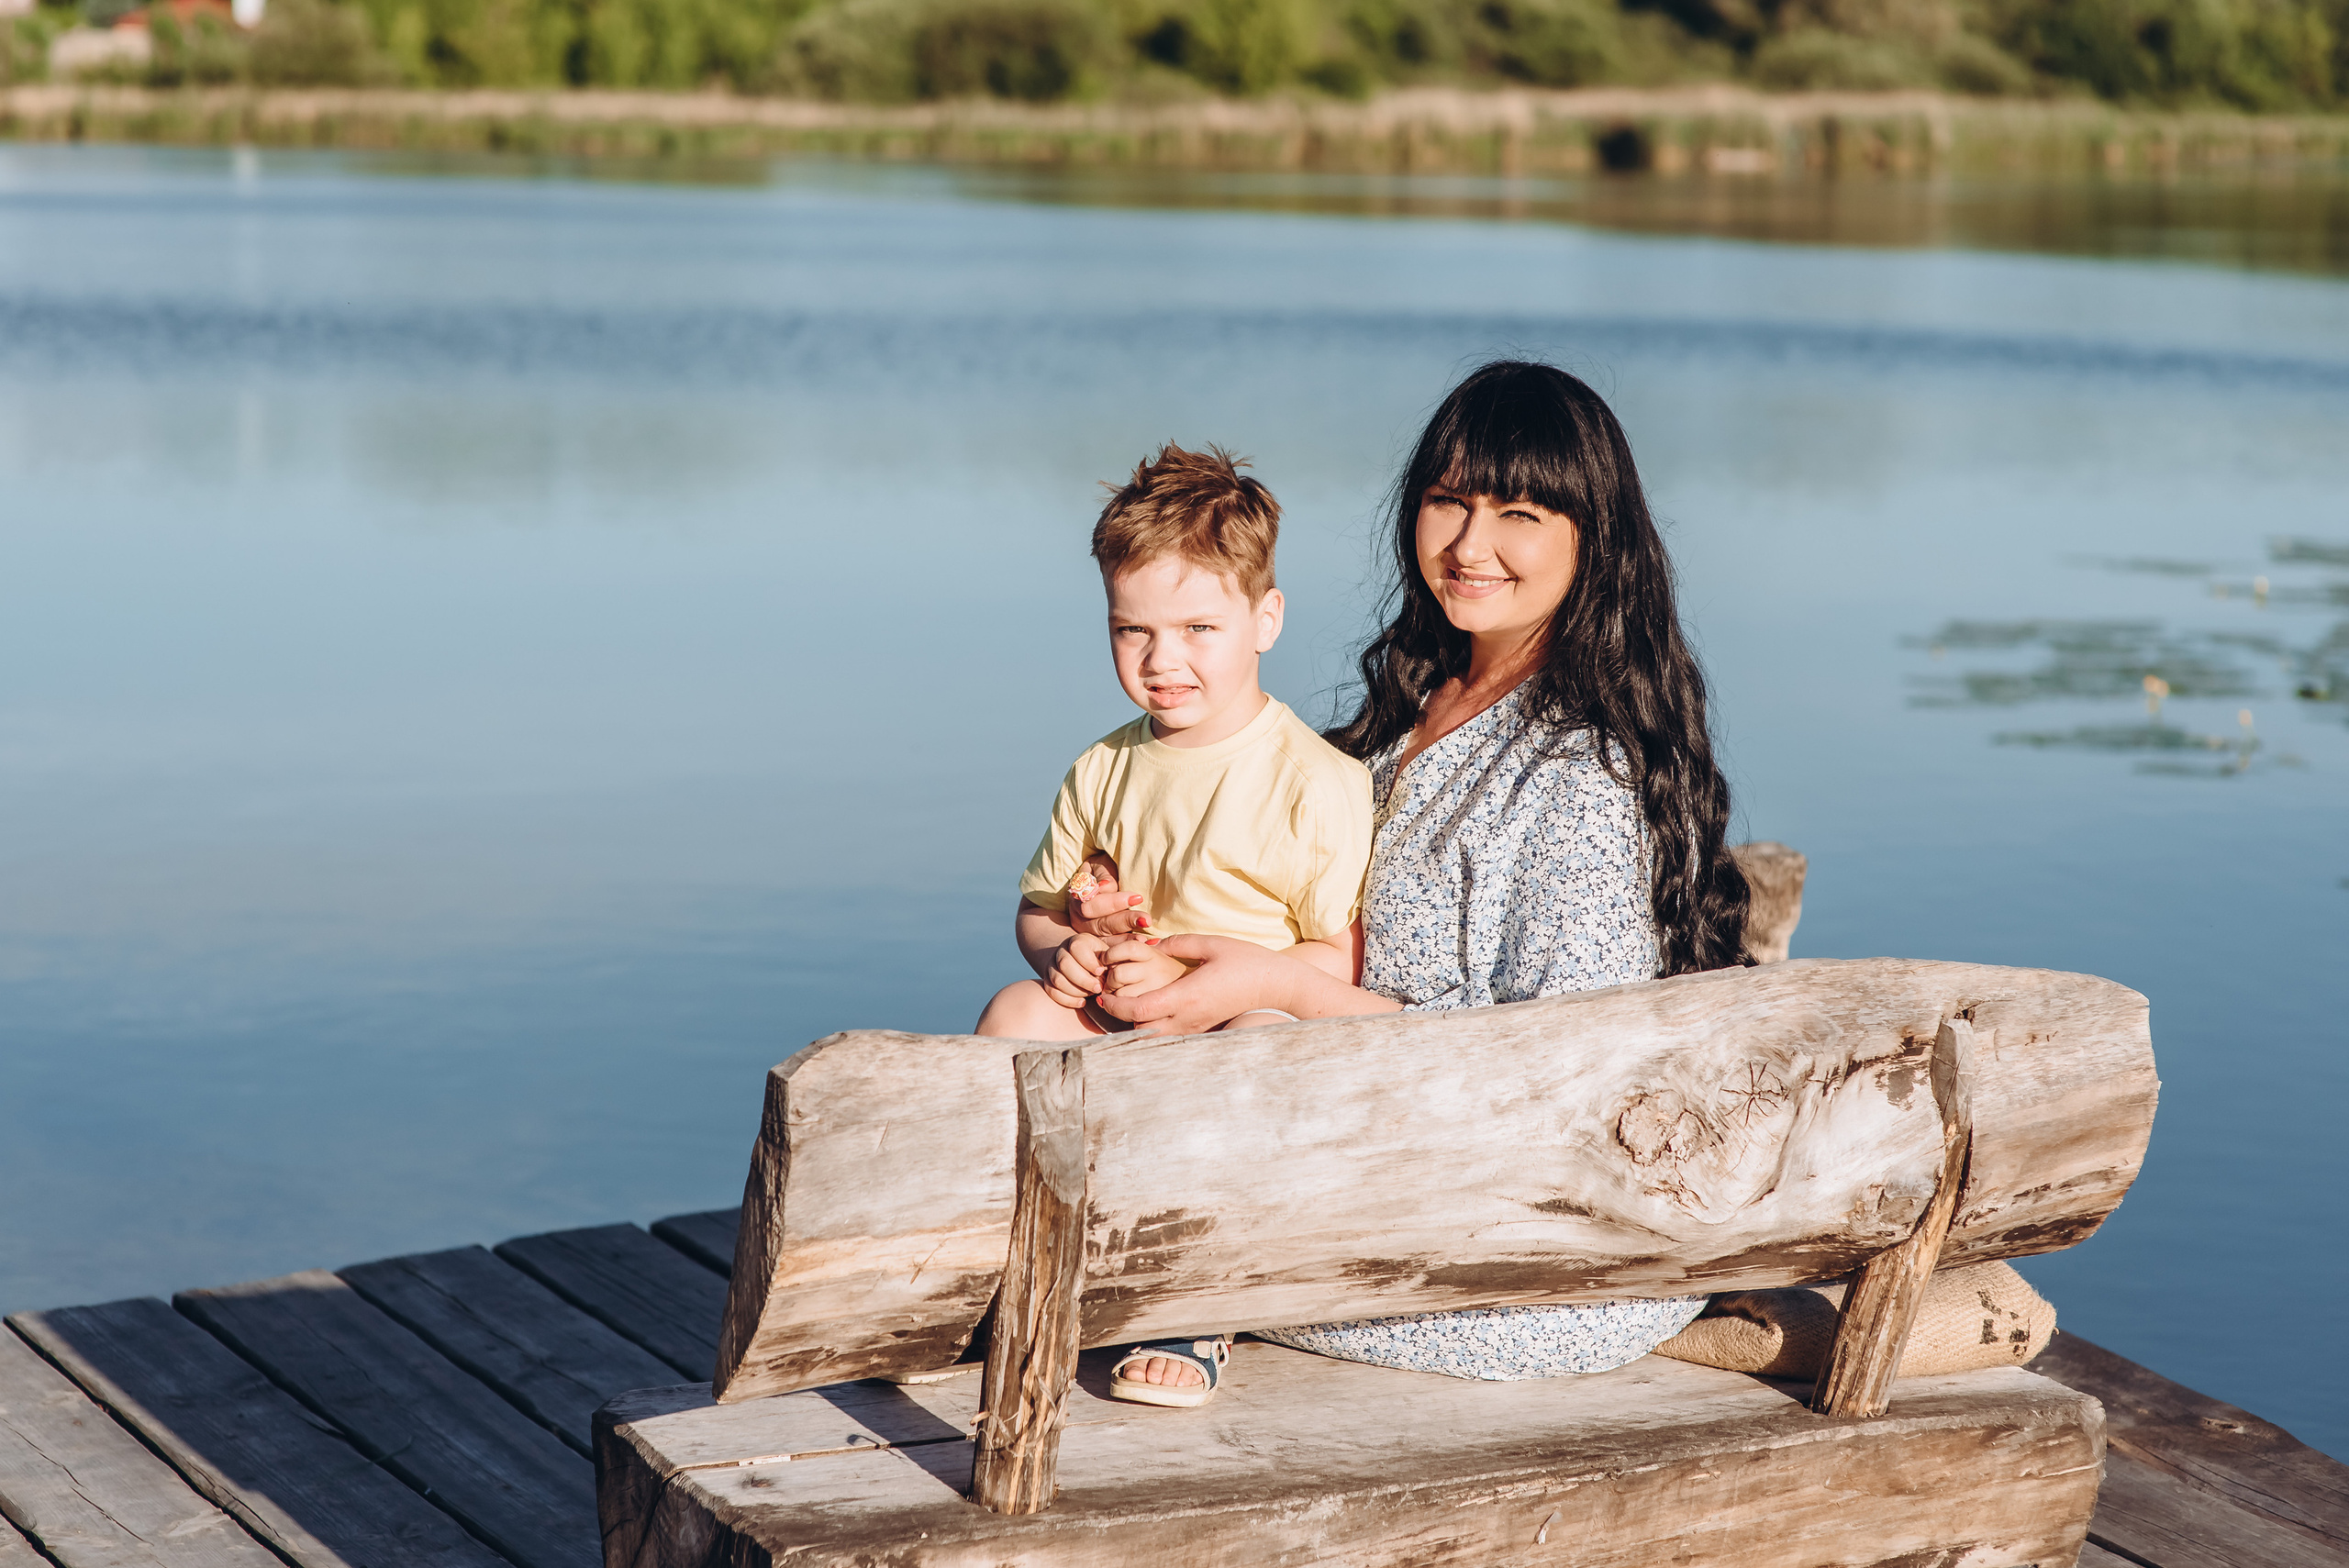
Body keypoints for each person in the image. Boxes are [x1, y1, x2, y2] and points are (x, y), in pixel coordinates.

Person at [1094, 360, 1752, 1397]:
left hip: (1522, 1246)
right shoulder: (1415, 707)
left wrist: (1282, 986)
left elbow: (1555, 1077)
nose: (1469, 545)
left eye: (1519, 513)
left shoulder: (1575, 771)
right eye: (1448, 501)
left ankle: (1196, 1291)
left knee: (1122, 1249)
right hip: (1356, 1136)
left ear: (1594, 538)